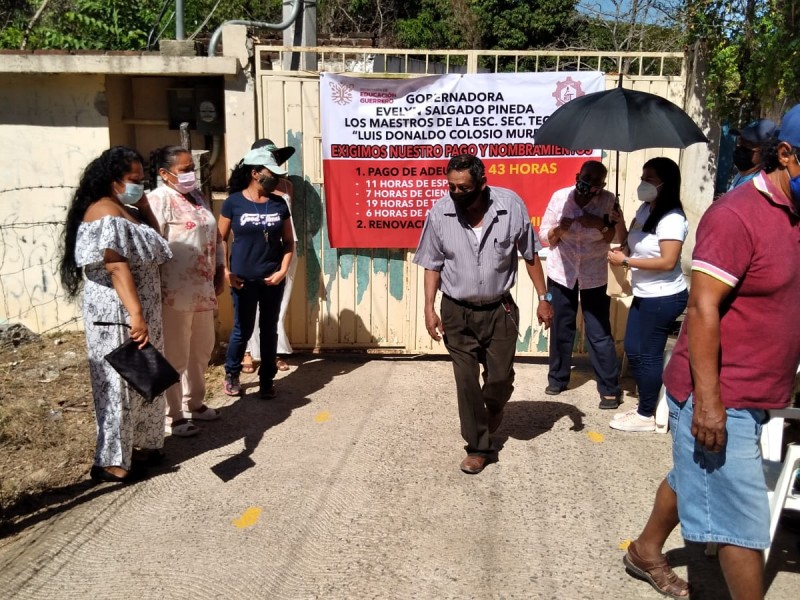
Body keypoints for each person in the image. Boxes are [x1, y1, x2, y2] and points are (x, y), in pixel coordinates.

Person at [623, 104, 800, 599]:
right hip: (724, 392)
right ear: (786, 155)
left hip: (764, 388)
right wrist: (709, 404)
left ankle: (644, 550)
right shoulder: (737, 216)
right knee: (740, 520)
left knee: (691, 475)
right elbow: (702, 310)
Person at [413, 154, 553, 475]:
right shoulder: (440, 213)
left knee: (500, 380)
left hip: (499, 310)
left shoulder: (510, 206)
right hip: (456, 312)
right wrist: (428, 307)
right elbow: (432, 264)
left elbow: (530, 254)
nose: (456, 194)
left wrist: (544, 298)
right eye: (451, 187)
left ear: (481, 185)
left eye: (464, 188)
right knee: (465, 381)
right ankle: (478, 447)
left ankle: (495, 405)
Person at [58, 146, 172, 482]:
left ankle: (144, 445)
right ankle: (111, 461)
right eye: (133, 180)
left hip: (139, 313)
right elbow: (115, 264)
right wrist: (136, 314)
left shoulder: (126, 208)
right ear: (112, 181)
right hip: (117, 314)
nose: (139, 185)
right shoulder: (103, 212)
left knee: (146, 378)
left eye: (142, 179)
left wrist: (145, 205)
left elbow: (157, 243)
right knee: (119, 384)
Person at [147, 146, 225, 437]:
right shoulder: (158, 201)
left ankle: (196, 403)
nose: (190, 173)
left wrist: (219, 269)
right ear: (164, 174)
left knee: (201, 349)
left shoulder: (197, 197)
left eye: (191, 167)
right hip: (173, 293)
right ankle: (174, 414)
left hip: (202, 288)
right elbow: (152, 246)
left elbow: (216, 237)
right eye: (183, 169)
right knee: (175, 354)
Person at [607, 157, 688, 432]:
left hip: (664, 296)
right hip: (645, 293)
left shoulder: (673, 218)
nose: (643, 183)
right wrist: (619, 225)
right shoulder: (645, 209)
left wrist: (626, 263)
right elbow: (630, 243)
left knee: (648, 354)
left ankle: (646, 415)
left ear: (666, 183)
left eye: (649, 179)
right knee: (633, 349)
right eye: (642, 177)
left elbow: (667, 261)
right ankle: (646, 405)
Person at [538, 160, 624, 409]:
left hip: (593, 275)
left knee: (598, 331)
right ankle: (557, 379)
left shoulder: (609, 201)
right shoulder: (560, 197)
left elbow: (616, 238)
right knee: (561, 327)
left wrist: (602, 223)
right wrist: (559, 229)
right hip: (561, 273)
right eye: (585, 177)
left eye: (595, 182)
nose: (588, 184)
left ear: (602, 185)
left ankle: (609, 389)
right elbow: (545, 237)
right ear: (578, 175)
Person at [219, 147, 295, 399]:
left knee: (269, 329)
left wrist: (282, 271)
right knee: (243, 328)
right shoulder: (233, 202)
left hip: (272, 279)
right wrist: (226, 271)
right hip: (243, 280)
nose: (275, 177)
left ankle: (266, 380)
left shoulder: (279, 203)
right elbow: (220, 239)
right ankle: (232, 374)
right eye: (270, 173)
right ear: (254, 173)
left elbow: (289, 242)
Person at [241, 138, 297, 375]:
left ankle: (272, 352)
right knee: (249, 302)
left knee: (277, 304)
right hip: (253, 249)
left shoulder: (286, 185)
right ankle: (246, 351)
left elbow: (286, 219)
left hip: (284, 246)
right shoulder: (243, 187)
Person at [728, 118, 776, 190]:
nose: (740, 146)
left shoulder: (759, 186)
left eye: (749, 143)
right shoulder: (742, 174)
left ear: (766, 151)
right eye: (740, 140)